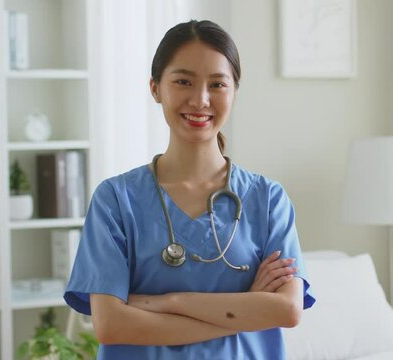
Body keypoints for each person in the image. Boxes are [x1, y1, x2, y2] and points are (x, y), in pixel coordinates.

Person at [63, 19, 315, 359]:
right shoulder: (115, 201)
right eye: (183, 81)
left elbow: (287, 311)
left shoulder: (268, 200)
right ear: (155, 88)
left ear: (234, 91)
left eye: (217, 84)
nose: (200, 100)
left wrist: (168, 303)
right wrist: (247, 310)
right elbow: (112, 325)